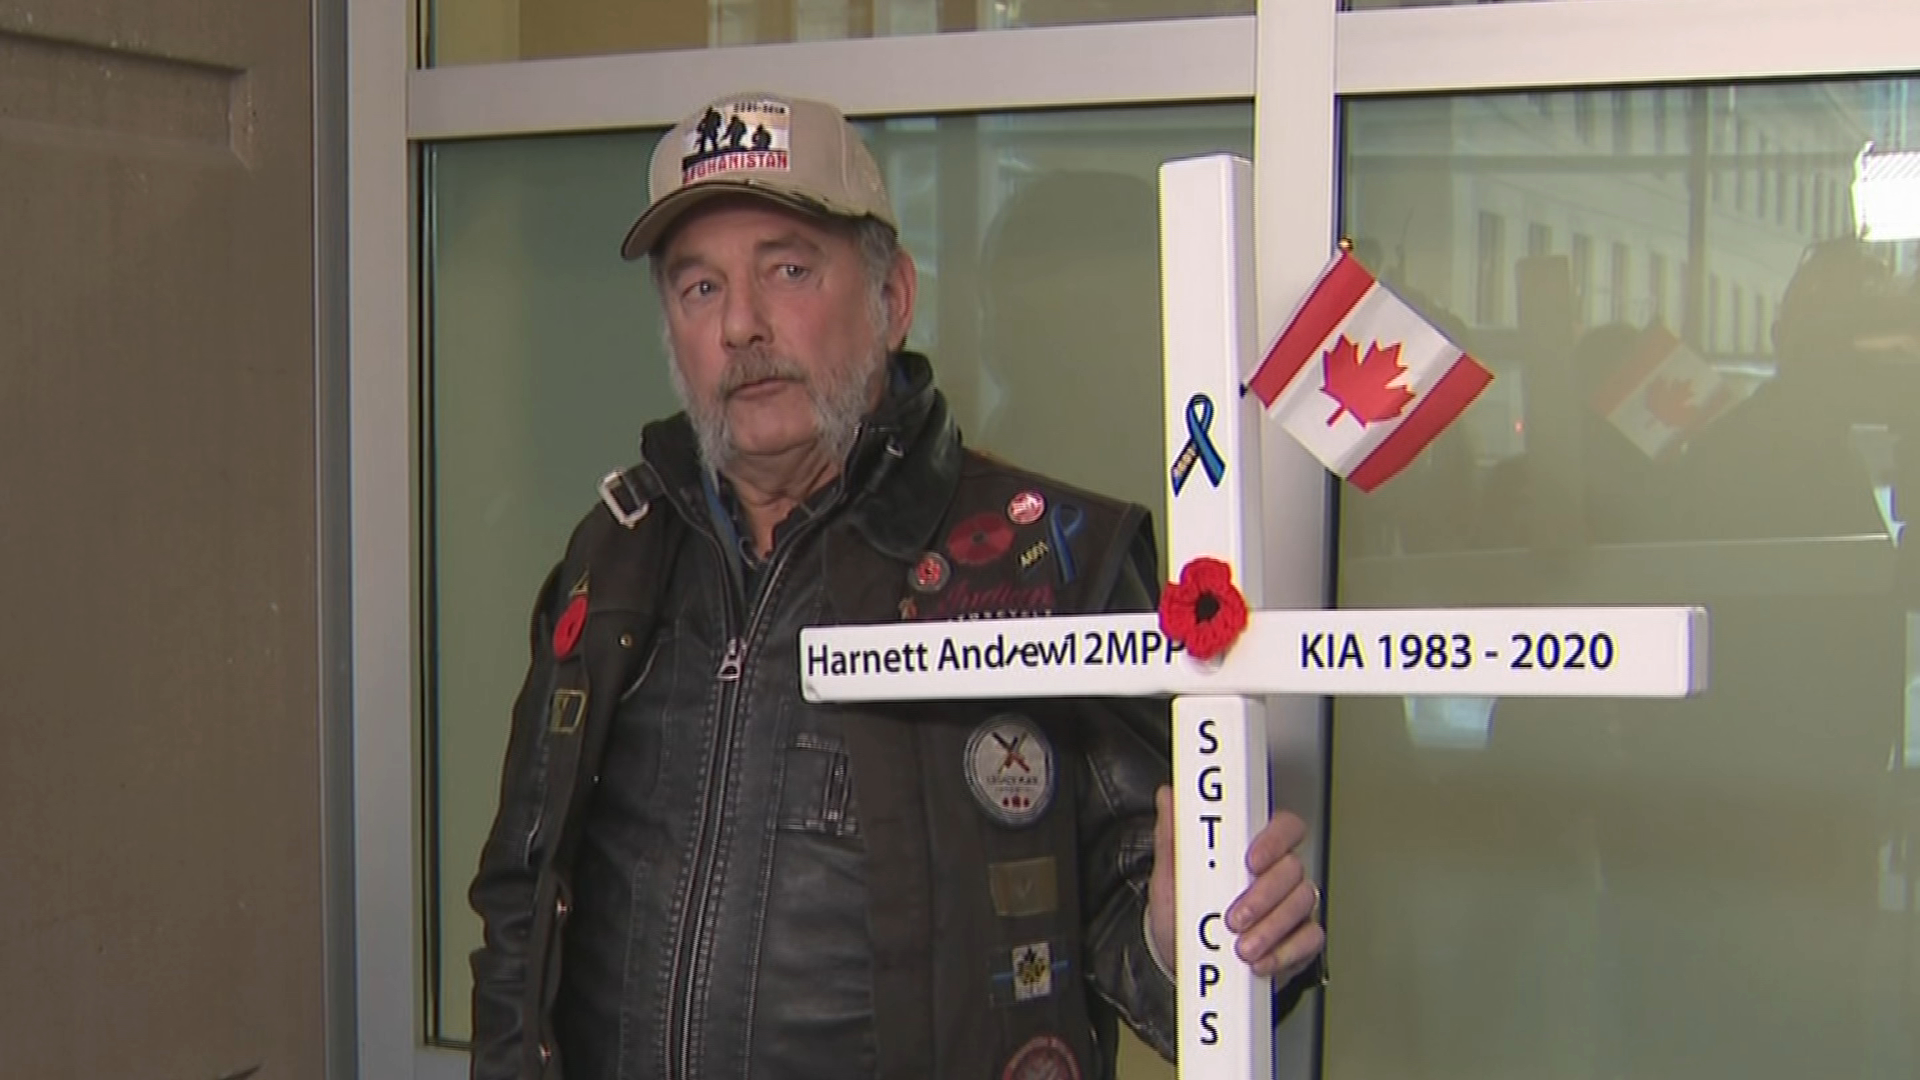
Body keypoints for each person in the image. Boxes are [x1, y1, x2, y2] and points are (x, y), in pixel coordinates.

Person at [467, 90, 1326, 1080]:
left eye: (787, 270)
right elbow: (520, 902)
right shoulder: (614, 553)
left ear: (893, 297)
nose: (742, 325)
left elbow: (1159, 948)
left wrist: (1207, 947)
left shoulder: (1050, 563)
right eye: (698, 289)